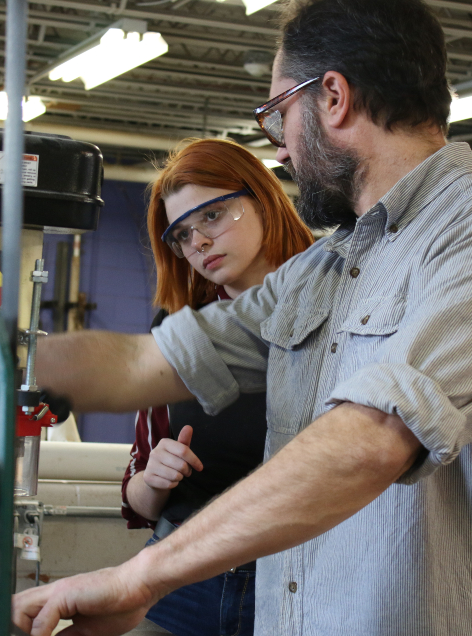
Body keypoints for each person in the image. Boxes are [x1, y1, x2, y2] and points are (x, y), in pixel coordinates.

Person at [12, 1, 472, 634]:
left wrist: (140, 576)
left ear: (333, 97)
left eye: (277, 113)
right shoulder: (326, 266)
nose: (277, 144)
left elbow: (371, 440)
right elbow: (148, 361)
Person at [122, 139, 313, 636]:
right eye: (182, 234)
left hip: (299, 584)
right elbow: (136, 499)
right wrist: (155, 478)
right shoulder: (178, 330)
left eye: (212, 216)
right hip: (182, 580)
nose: (198, 243)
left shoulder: (335, 299)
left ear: (263, 199)